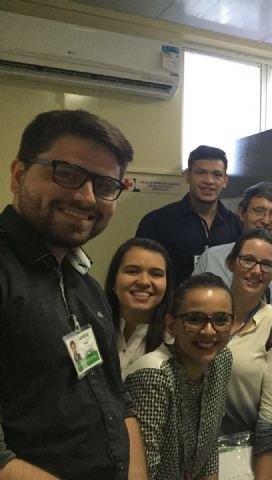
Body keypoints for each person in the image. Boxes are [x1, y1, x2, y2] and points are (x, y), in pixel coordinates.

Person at [0, 109, 147, 478]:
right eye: (67, 174)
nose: (86, 197)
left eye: (105, 185)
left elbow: (117, 398)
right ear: (18, 175)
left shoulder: (85, 286)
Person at [194, 181, 272, 382]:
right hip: (210, 366)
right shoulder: (212, 258)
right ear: (242, 213)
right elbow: (192, 308)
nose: (266, 220)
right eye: (258, 211)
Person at [125, 273, 234, 480]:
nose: (209, 331)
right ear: (171, 326)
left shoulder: (221, 360)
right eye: (195, 319)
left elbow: (208, 452)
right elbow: (142, 473)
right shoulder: (153, 376)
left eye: (221, 320)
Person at [222, 229, 272, 480]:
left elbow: (271, 419)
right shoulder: (206, 314)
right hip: (191, 454)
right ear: (231, 262)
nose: (256, 271)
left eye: (266, 264)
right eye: (248, 260)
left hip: (242, 460)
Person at [136, 145, 242, 284]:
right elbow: (141, 269)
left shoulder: (236, 225)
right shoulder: (157, 222)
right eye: (201, 172)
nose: (209, 181)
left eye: (217, 175)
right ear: (187, 175)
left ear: (225, 180)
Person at [105, 237, 174, 378]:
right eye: (132, 271)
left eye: (156, 274)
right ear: (114, 280)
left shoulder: (176, 340)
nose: (144, 282)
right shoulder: (90, 328)